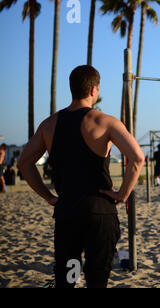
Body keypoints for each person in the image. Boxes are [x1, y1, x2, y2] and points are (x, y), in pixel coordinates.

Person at [17, 65, 145, 288]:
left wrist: (48, 196)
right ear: (94, 90)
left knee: (68, 278)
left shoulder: (49, 125)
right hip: (99, 212)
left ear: (72, 89)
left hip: (68, 213)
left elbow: (24, 163)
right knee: (97, 279)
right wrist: (123, 194)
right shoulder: (105, 122)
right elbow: (138, 158)